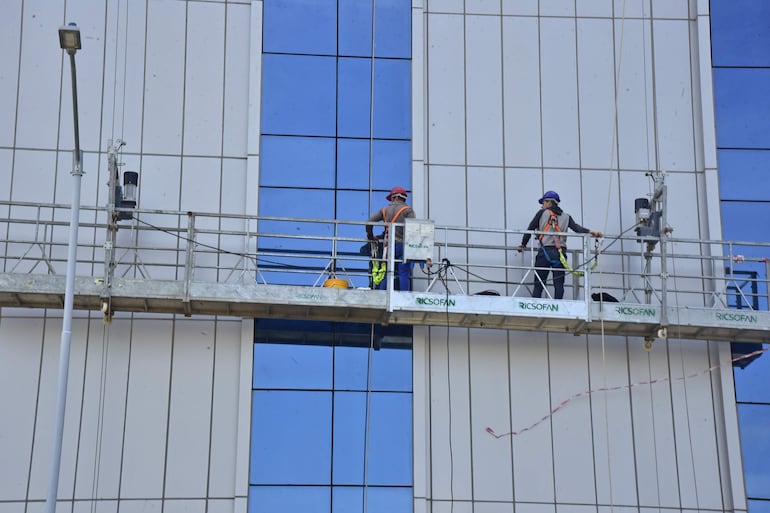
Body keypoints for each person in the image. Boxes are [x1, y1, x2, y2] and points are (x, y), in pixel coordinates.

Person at [517, 190, 602, 299]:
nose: (542, 205)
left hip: (545, 252)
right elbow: (577, 228)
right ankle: (559, 306)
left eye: (543, 202)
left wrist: (523, 244)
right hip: (560, 254)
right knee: (558, 284)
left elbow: (530, 228)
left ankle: (535, 306)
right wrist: (591, 231)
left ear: (549, 202)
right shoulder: (567, 217)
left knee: (539, 283)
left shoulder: (542, 213)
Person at [366, 186, 415, 291]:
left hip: (388, 246)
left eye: (392, 198)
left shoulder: (385, 210)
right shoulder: (408, 211)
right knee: (404, 273)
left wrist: (370, 236)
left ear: (395, 197)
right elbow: (414, 229)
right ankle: (404, 296)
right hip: (403, 245)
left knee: (388, 272)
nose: (392, 201)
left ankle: (383, 294)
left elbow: (369, 221)